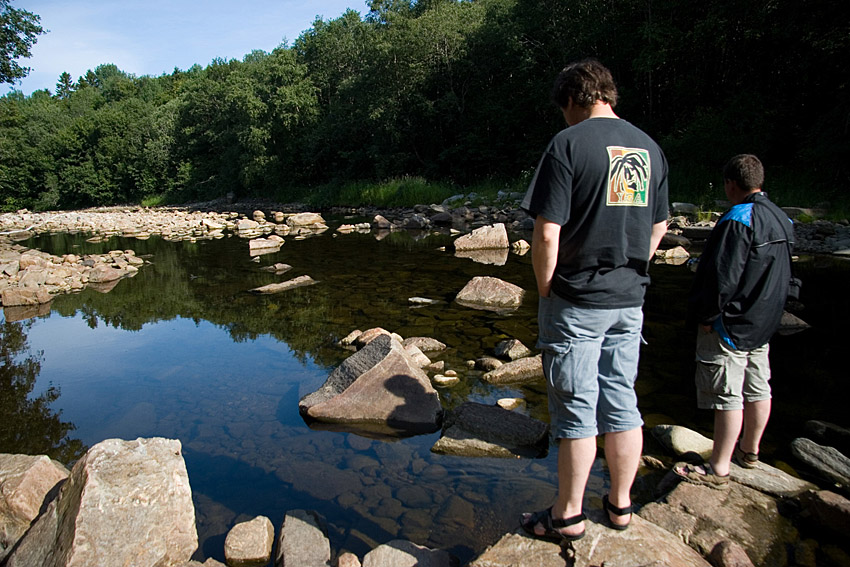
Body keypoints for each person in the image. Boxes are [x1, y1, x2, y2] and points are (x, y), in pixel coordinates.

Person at [519, 58, 669, 542]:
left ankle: (567, 516)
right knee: (622, 401)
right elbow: (659, 225)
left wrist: (546, 287)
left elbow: (547, 232)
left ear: (572, 99)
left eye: (562, 108)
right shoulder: (649, 147)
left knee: (576, 408)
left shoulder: (568, 144)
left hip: (577, 299)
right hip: (629, 298)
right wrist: (630, 267)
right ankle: (621, 506)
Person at [674, 154, 794, 488]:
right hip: (763, 321)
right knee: (758, 387)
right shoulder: (782, 218)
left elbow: (721, 276)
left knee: (727, 396)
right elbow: (788, 274)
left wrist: (707, 316)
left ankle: (718, 468)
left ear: (731, 184)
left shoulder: (737, 219)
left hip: (731, 323)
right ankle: (750, 452)